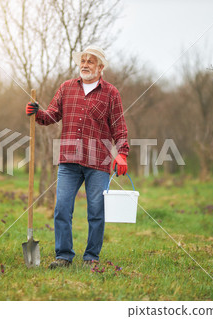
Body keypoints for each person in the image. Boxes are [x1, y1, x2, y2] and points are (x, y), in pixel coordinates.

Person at [25, 45, 129, 269]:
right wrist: (37, 113)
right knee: (62, 208)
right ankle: (63, 256)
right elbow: (51, 115)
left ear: (100, 67)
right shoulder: (66, 88)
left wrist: (121, 154)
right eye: (83, 60)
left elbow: (119, 127)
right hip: (69, 160)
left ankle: (91, 257)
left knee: (96, 211)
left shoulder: (111, 93)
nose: (85, 65)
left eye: (90, 61)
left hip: (98, 162)